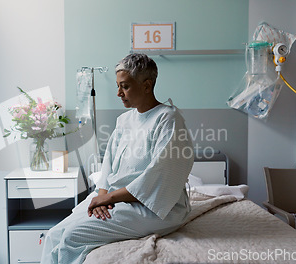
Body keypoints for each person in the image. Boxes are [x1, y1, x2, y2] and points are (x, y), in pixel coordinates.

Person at [40, 53, 194, 264]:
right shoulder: (124, 120)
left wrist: (110, 198)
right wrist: (102, 195)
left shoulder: (167, 118)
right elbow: (108, 165)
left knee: (72, 237)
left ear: (147, 86)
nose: (119, 93)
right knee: (53, 235)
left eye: (125, 86)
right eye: (118, 86)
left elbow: (161, 174)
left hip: (154, 207)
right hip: (115, 198)